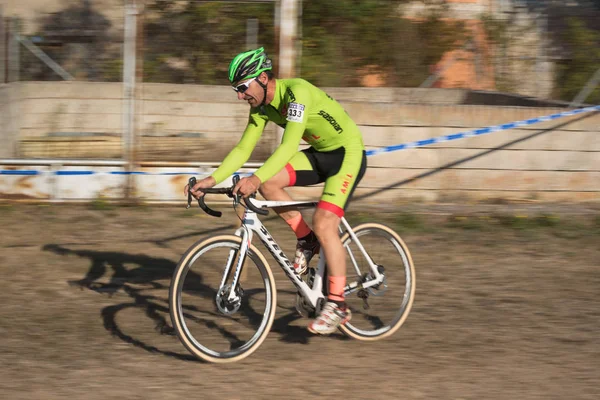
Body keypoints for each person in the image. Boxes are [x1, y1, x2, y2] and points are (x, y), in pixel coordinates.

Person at [185, 47, 367, 335]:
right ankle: (306, 240)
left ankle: (337, 304)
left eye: (243, 88)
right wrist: (212, 178)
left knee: (324, 221)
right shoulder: (260, 108)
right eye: (236, 89)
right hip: (320, 153)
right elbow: (244, 148)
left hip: (347, 154)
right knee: (271, 183)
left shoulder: (297, 93)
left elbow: (288, 145)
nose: (240, 96)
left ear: (263, 78)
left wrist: (254, 179)